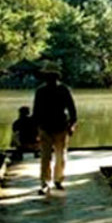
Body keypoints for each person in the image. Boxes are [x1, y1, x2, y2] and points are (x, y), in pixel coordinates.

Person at [32, 63, 77, 194]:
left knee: (60, 156)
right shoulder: (40, 91)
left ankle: (58, 180)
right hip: (45, 128)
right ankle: (45, 182)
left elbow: (72, 110)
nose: (50, 78)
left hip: (61, 127)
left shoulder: (63, 90)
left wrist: (71, 125)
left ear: (56, 76)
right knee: (45, 157)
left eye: (52, 76)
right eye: (48, 76)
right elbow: (36, 112)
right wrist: (36, 130)